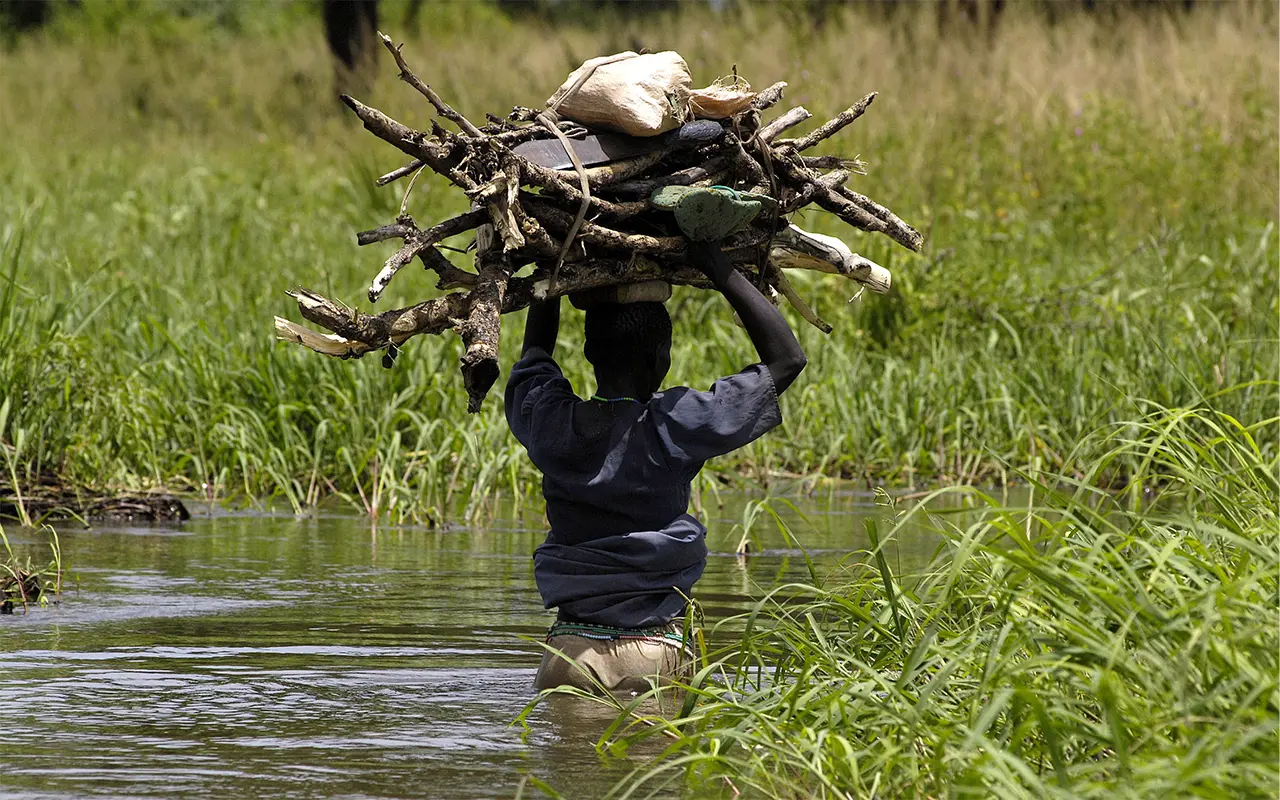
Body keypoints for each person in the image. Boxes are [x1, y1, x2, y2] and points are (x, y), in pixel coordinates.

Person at [504, 202, 806, 695]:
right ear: (661, 358)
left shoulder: (552, 423)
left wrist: (554, 264)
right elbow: (787, 359)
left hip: (568, 654)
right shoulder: (675, 424)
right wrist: (713, 261)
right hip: (651, 652)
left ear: (589, 353)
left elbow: (535, 354)